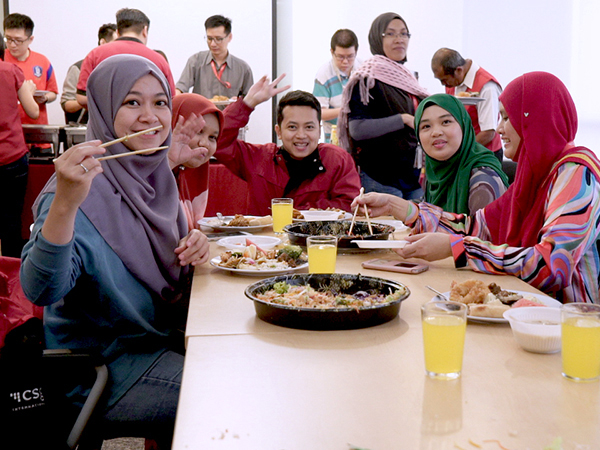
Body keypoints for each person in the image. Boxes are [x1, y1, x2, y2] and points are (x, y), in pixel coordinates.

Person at [20, 54, 210, 448]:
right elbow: (41, 289)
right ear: (104, 109)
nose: (149, 116)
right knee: (224, 399)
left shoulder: (154, 176)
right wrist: (66, 203)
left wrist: (196, 247)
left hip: (156, 340)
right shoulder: (75, 188)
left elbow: (167, 276)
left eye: (160, 102)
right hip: (102, 368)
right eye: (131, 102)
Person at [354, 72, 600, 304]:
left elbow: (551, 265)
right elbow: (476, 226)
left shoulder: (577, 172)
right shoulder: (536, 174)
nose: (500, 129)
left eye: (506, 117)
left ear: (532, 116)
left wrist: (458, 247)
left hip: (567, 324)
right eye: (425, 127)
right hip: (526, 309)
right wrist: (396, 205)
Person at [215, 75, 361, 215]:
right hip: (264, 240)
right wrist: (246, 104)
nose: (301, 135)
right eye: (292, 127)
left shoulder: (337, 159)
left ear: (319, 130)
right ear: (278, 131)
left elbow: (350, 205)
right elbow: (218, 141)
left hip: (317, 241)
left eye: (309, 127)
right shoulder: (258, 158)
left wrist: (300, 213)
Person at [338, 12, 429, 200]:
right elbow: (357, 129)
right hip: (381, 178)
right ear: (377, 38)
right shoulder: (367, 78)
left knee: (419, 228)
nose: (399, 40)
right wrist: (402, 119)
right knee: (392, 230)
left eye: (404, 34)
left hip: (411, 177)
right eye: (391, 34)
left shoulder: (406, 78)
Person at [414, 93, 508, 215]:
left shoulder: (483, 178)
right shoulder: (436, 171)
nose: (436, 132)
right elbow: (425, 208)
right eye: (426, 126)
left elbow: (482, 231)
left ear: (464, 126)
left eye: (446, 122)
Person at [76, 8, 175, 107]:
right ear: (145, 30)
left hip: (103, 121)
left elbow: (82, 98)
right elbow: (171, 99)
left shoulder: (95, 55)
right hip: (144, 120)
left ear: (118, 32)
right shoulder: (159, 60)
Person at [0, 32, 39, 258]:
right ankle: (12, 273)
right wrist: (30, 92)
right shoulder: (11, 71)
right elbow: (33, 111)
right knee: (11, 219)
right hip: (11, 157)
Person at [431, 48, 503, 162]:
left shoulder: (487, 87)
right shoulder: (455, 80)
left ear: (458, 70)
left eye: (444, 80)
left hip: (484, 154)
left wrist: (461, 152)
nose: (443, 84)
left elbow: (488, 133)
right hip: (461, 152)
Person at [171, 94, 224, 229]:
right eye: (198, 131)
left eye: (212, 137)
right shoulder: (146, 175)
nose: (204, 143)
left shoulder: (193, 173)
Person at [175, 15, 254, 98]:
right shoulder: (196, 61)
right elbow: (181, 87)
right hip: (201, 111)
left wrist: (239, 102)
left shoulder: (243, 68)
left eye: (218, 39)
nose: (213, 44)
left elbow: (249, 99)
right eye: (209, 38)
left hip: (230, 111)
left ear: (229, 37)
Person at [3, 13, 58, 126]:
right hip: (8, 128)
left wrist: (45, 98)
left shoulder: (42, 61)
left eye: (18, 40)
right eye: (8, 39)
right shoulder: (1, 60)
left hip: (38, 127)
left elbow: (53, 92)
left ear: (30, 39)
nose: (12, 45)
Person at [60, 23, 117, 125]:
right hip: (84, 128)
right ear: (103, 42)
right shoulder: (78, 68)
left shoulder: (120, 69)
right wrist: (89, 100)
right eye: (116, 43)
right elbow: (67, 105)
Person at [313, 29, 360, 143]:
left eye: (350, 56)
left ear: (356, 52)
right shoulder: (324, 74)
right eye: (340, 56)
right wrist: (345, 110)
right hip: (335, 140)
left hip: (360, 137)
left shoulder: (363, 70)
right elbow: (318, 113)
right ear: (332, 52)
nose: (345, 62)